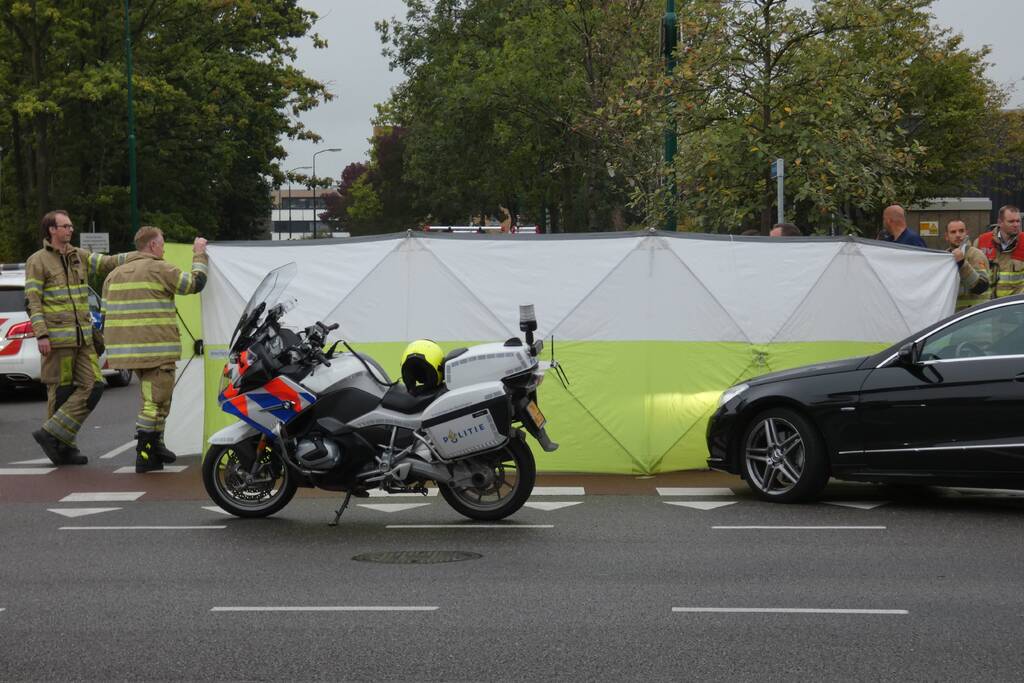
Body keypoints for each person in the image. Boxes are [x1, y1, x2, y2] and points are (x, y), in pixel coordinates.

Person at [25, 210, 133, 465]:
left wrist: (137, 255)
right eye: (65, 226)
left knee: (94, 385)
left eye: (71, 225)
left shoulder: (78, 255)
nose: (70, 229)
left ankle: (52, 434)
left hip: (83, 338)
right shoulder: (37, 261)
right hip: (58, 341)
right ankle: (62, 446)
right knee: (61, 392)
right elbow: (33, 301)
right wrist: (41, 334)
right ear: (52, 230)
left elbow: (106, 262)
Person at [102, 227, 208, 473]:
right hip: (156, 350)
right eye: (161, 244)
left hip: (127, 352)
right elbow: (194, 283)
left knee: (157, 398)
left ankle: (155, 447)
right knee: (154, 401)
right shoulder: (160, 268)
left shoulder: (114, 275)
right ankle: (146, 452)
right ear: (151, 246)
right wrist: (199, 255)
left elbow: (106, 313)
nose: (163, 249)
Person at [974, 205, 1024, 300]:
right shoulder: (981, 241)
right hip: (988, 305)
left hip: (1015, 305)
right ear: (1000, 222)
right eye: (1011, 221)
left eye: (1018, 221)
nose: (1016, 225)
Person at [944, 219, 989, 310]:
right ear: (946, 236)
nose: (958, 235)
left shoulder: (976, 254)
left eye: (961, 231)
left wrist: (962, 263)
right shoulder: (945, 257)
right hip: (954, 315)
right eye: (953, 232)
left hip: (975, 316)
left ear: (966, 233)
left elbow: (981, 287)